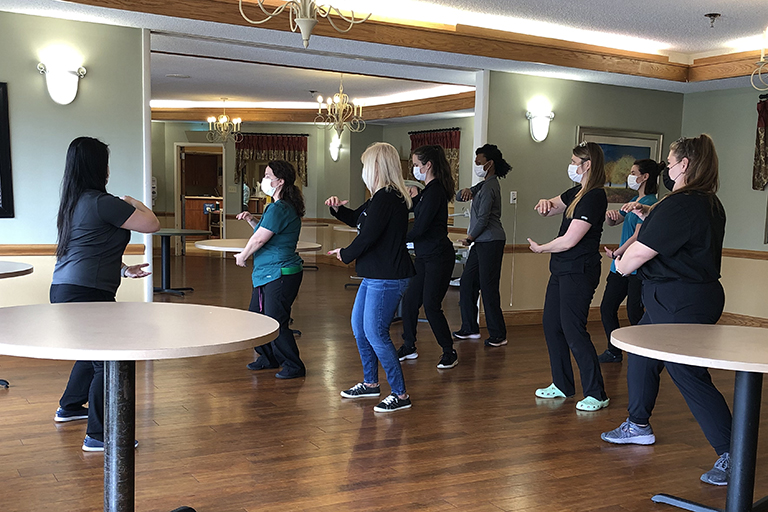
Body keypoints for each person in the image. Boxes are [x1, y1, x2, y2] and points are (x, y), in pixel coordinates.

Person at [601, 134, 733, 486]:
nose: (668, 169)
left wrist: (622, 261)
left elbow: (635, 258)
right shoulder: (706, 202)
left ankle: (733, 451)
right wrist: (649, 214)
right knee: (641, 355)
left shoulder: (680, 205)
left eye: (671, 163)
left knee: (687, 373)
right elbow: (678, 237)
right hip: (679, 295)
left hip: (680, 300)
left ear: (685, 165)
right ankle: (638, 424)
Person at [52, 137, 160, 452]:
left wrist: (124, 269)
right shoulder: (104, 201)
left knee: (91, 353)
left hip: (68, 288)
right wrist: (132, 200)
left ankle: (70, 406)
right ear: (99, 167)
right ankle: (99, 435)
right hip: (85, 292)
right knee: (107, 360)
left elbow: (87, 248)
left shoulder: (74, 201)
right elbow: (150, 223)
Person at [327, 142, 415, 412]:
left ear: (377, 166)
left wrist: (346, 253)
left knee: (376, 333)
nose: (363, 170)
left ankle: (400, 395)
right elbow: (358, 219)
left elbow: (368, 236)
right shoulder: (379, 197)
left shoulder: (388, 197)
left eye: (366, 165)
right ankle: (370, 383)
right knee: (359, 328)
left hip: (388, 276)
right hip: (375, 275)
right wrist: (337, 209)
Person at [528, 141, 610, 412]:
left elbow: (569, 240)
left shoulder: (595, 196)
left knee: (574, 330)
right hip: (561, 269)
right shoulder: (577, 191)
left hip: (580, 270)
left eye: (575, 163)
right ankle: (562, 384)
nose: (572, 167)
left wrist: (541, 248)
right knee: (552, 325)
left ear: (587, 165)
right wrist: (544, 203)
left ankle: (596, 393)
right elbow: (553, 206)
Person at [235, 160, 306, 380]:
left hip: (280, 273)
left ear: (280, 181)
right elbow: (266, 231)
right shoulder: (276, 207)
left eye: (267, 176)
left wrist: (243, 256)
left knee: (275, 319)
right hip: (269, 273)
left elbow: (259, 239)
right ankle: (267, 357)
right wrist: (252, 219)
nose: (263, 180)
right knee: (257, 316)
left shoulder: (280, 207)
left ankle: (294, 365)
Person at [396, 144, 458, 369]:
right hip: (424, 256)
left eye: (415, 165)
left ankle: (448, 351)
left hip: (438, 257)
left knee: (431, 305)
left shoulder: (436, 191)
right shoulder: (428, 192)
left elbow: (421, 228)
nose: (414, 169)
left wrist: (397, 239)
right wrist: (416, 197)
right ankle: (409, 346)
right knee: (411, 301)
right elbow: (419, 211)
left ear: (428, 165)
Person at [598, 159, 663, 363]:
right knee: (607, 307)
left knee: (635, 312)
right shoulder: (634, 198)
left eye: (634, 172)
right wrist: (609, 217)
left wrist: (619, 253)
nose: (630, 176)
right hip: (619, 266)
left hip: (637, 267)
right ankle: (614, 350)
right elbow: (615, 220)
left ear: (645, 177)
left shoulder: (651, 203)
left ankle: (643, 353)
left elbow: (638, 235)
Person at [451, 144, 510, 347]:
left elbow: (483, 218)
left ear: (489, 163)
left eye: (478, 162)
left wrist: (469, 237)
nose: (476, 165)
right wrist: (466, 190)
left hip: (491, 241)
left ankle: (498, 334)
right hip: (481, 243)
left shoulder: (491, 186)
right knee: (467, 284)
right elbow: (459, 197)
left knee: (488, 287)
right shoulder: (483, 185)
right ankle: (469, 328)